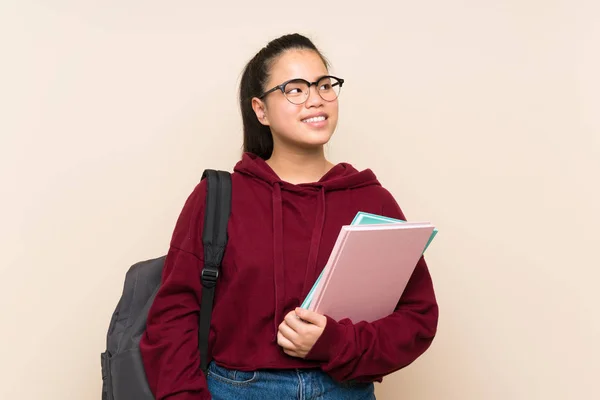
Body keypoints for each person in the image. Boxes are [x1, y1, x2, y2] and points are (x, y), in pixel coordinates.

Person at [140, 33, 438, 400]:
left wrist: (337, 342)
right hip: (235, 391)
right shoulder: (219, 197)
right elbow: (173, 316)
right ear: (260, 110)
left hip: (343, 392)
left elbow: (418, 317)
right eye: (295, 89)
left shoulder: (373, 201)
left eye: (324, 85)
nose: (316, 99)